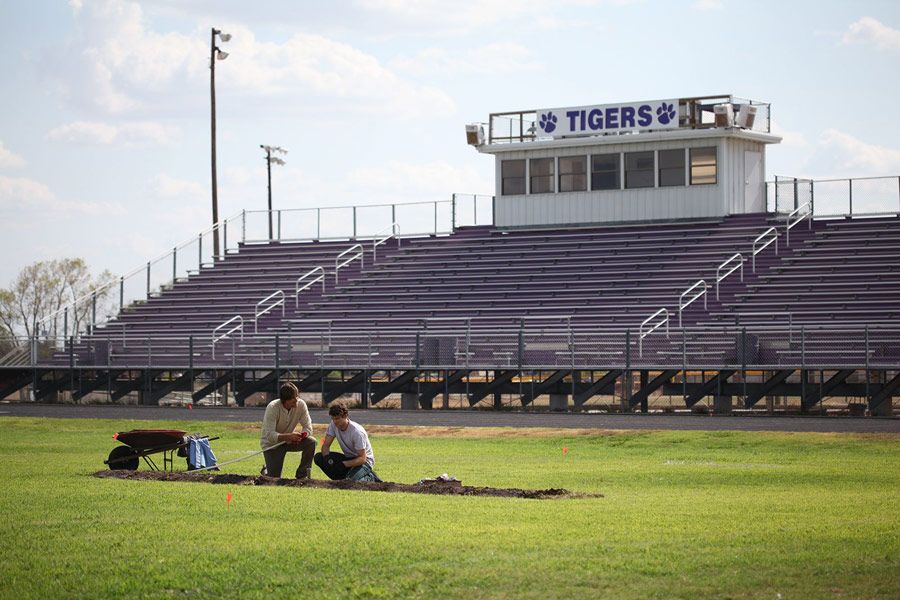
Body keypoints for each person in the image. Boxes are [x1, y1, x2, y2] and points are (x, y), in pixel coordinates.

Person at [260, 382, 317, 479]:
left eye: (297, 396)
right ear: (284, 400)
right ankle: (266, 471)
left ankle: (302, 475)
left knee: (311, 442)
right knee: (274, 479)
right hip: (272, 445)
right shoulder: (272, 407)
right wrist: (288, 436)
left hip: (290, 442)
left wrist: (302, 436)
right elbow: (269, 435)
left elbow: (308, 427)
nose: (296, 400)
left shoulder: (301, 405)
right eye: (293, 398)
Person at [314, 402, 381, 482]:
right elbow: (325, 446)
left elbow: (362, 458)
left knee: (351, 481)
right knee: (319, 457)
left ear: (345, 416)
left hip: (364, 462)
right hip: (348, 458)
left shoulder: (356, 432)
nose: (335, 422)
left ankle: (370, 478)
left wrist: (343, 464)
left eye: (337, 419)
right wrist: (327, 458)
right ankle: (341, 480)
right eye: (333, 419)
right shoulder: (333, 425)